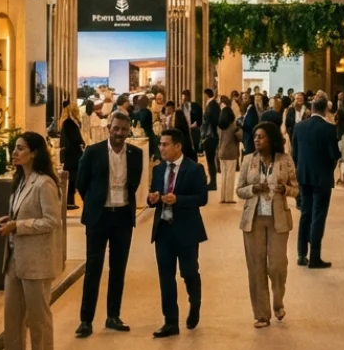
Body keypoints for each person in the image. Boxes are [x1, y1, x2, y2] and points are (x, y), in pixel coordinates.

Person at [0, 132, 62, 350]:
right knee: (12, 316)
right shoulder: (20, 181)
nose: (15, 153)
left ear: (35, 152)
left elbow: (52, 221)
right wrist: (11, 220)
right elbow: (24, 215)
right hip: (15, 259)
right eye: (14, 148)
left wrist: (20, 225)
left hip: (37, 262)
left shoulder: (44, 183)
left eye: (20, 148)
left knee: (38, 319)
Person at [75, 111, 143, 337]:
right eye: (116, 129)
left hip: (123, 217)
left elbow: (133, 184)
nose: (119, 134)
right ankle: (86, 320)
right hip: (98, 217)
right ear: (109, 129)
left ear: (128, 130)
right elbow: (81, 183)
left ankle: (113, 315)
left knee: (118, 268)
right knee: (93, 267)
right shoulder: (93, 153)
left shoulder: (136, 154)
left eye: (123, 130)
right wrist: (94, 203)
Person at [147, 128, 209, 337]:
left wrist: (179, 200)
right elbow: (152, 195)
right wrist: (153, 198)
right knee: (166, 276)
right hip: (163, 229)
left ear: (178, 146)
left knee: (188, 272)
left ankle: (195, 301)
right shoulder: (157, 170)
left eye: (165, 144)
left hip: (186, 230)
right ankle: (170, 321)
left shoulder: (194, 170)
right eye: (160, 144)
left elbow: (202, 198)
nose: (161, 148)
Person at [236, 122, 299, 327]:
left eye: (261, 136)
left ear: (271, 139)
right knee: (256, 267)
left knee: (277, 265)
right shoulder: (247, 160)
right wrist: (254, 188)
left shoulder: (285, 160)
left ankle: (278, 300)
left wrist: (284, 190)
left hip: (278, 218)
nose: (257, 140)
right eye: (255, 136)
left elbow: (295, 189)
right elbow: (240, 190)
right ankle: (262, 314)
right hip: (253, 220)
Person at [292, 96, 339, 268]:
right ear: (326, 109)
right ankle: (315, 256)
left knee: (305, 213)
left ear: (311, 108)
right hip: (322, 177)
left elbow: (294, 153)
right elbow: (335, 154)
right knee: (318, 215)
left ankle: (301, 253)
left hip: (304, 176)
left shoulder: (299, 127)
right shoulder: (329, 128)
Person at [59, 101, 86, 210]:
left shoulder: (67, 122)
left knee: (72, 178)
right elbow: (75, 138)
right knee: (73, 179)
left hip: (71, 155)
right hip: (73, 155)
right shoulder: (69, 123)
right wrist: (82, 142)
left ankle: (70, 201)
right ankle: (69, 202)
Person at [215, 100, 242, 204]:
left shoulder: (219, 127)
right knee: (230, 176)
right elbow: (240, 137)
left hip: (221, 152)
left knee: (223, 176)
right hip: (231, 153)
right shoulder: (233, 127)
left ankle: (222, 197)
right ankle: (229, 198)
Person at [202, 89, 222, 190]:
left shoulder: (211, 105)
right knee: (211, 159)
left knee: (210, 159)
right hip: (213, 135)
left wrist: (203, 135)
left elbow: (207, 121)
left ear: (206, 95)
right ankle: (212, 181)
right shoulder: (214, 105)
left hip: (211, 136)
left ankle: (213, 182)